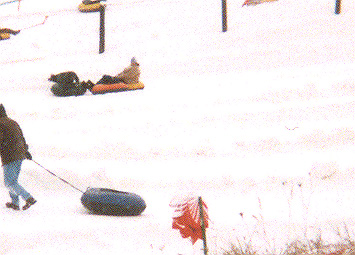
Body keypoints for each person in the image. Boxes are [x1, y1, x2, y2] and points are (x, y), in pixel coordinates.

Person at [0, 104, 36, 211]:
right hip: (20, 154)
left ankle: (28, 197)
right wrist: (26, 151)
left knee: (9, 182)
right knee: (13, 180)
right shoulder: (12, 122)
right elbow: (21, 136)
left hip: (10, 156)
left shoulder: (0, 124)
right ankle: (15, 203)